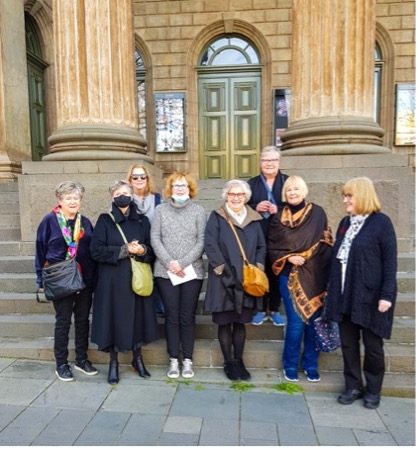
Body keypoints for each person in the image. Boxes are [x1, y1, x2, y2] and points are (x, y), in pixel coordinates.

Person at [323, 177, 397, 409]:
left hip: (371, 297)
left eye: (349, 196)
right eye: (344, 196)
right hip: (345, 295)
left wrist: (386, 295)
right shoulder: (345, 223)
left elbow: (390, 262)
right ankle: (353, 386)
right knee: (348, 344)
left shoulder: (381, 223)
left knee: (373, 347)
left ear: (363, 196)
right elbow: (338, 260)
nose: (345, 200)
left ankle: (373, 390)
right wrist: (331, 290)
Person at [90, 180, 158, 385]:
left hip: (136, 279)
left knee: (138, 319)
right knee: (113, 320)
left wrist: (142, 250)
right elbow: (96, 250)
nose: (122, 196)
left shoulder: (142, 221)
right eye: (118, 193)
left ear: (132, 196)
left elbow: (152, 250)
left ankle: (138, 358)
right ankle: (114, 363)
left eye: (126, 193)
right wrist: (123, 250)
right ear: (112, 197)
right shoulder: (105, 220)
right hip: (112, 281)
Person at [268, 176, 333, 383]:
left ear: (303, 191)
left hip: (315, 276)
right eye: (289, 190)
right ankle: (290, 365)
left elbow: (326, 242)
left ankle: (310, 365)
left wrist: (312, 262)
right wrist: (288, 257)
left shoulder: (318, 213)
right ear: (284, 194)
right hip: (289, 277)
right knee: (296, 324)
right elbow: (272, 246)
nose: (293, 193)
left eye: (296, 189)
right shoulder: (278, 217)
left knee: (314, 323)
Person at [204, 180, 266, 381]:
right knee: (225, 323)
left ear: (246, 197)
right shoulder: (217, 217)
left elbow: (261, 247)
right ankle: (228, 362)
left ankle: (239, 361)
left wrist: (257, 267)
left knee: (240, 323)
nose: (236, 197)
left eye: (240, 194)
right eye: (232, 194)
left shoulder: (254, 219)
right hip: (223, 279)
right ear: (226, 196)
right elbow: (210, 244)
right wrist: (223, 270)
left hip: (247, 280)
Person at [35, 181, 97, 382]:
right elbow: (40, 251)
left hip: (84, 279)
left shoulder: (85, 222)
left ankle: (81, 359)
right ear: (59, 200)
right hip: (60, 280)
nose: (72, 201)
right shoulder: (49, 221)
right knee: (63, 321)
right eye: (68, 198)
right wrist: (40, 280)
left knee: (82, 320)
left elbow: (92, 250)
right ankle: (61, 363)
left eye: (76, 198)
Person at [150, 172, 206, 379]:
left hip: (192, 271)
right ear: (170, 189)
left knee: (187, 316)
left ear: (190, 189)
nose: (180, 189)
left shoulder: (199, 211)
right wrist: (170, 263)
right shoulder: (160, 210)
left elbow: (202, 240)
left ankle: (188, 359)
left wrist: (181, 263)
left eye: (184, 186)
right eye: (176, 186)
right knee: (172, 316)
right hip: (165, 272)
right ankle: (173, 359)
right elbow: (155, 238)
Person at [248, 146, 288, 326]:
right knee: (259, 270)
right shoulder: (251, 184)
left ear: (279, 162)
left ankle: (274, 309)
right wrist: (255, 207)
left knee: (276, 272)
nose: (269, 163)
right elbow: (241, 207)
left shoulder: (287, 182)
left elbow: (295, 206)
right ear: (260, 163)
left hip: (281, 236)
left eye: (273, 160)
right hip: (258, 234)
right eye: (265, 160)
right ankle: (260, 309)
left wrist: (278, 209)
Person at [126, 163, 164, 315]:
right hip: (135, 247)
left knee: (156, 279)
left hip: (155, 246)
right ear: (130, 179)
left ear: (148, 179)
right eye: (135, 177)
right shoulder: (124, 199)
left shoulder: (157, 199)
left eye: (143, 176)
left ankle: (158, 309)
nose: (139, 179)